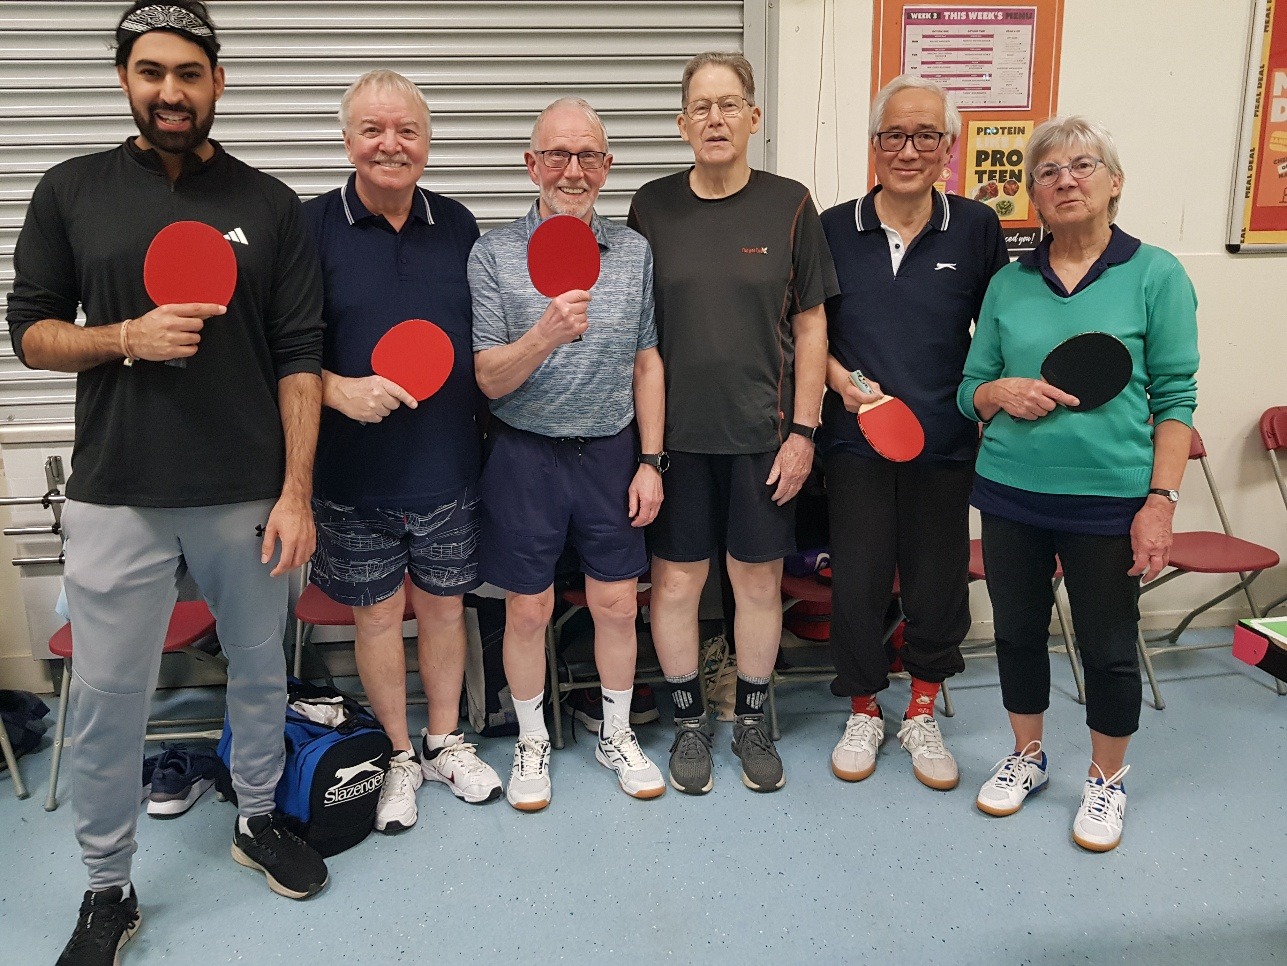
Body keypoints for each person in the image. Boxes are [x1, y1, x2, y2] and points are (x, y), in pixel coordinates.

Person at [5, 3, 330, 963]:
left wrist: (298, 490)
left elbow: (301, 355)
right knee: (106, 695)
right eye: (151, 72)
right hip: (118, 491)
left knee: (261, 669)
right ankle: (108, 885)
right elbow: (31, 332)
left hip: (247, 492)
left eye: (189, 73)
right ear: (125, 80)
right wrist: (122, 339)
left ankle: (259, 820)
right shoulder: (71, 192)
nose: (170, 91)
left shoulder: (269, 203)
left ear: (218, 82)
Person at [957, 116, 1198, 852]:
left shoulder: (1155, 274)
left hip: (1109, 498)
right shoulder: (1007, 281)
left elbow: (1175, 399)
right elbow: (970, 387)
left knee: (1107, 644)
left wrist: (1159, 502)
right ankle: (1026, 756)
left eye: (1082, 166)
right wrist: (999, 394)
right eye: (1047, 170)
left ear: (1113, 183)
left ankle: (1104, 779)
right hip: (1009, 491)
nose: (1064, 180)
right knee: (1018, 635)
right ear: (1030, 192)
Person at [628, 51, 837, 794]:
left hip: (763, 439)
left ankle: (750, 720)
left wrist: (804, 432)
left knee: (756, 585)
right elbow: (638, 334)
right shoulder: (650, 208)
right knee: (676, 587)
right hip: (675, 441)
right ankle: (689, 724)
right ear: (681, 123)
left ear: (753, 118)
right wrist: (647, 453)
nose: (714, 118)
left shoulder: (789, 204)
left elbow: (811, 326)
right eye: (700, 106)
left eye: (729, 104)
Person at [302, 69, 501, 834]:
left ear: (427, 141)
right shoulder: (308, 227)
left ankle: (445, 739)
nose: (391, 145)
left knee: (446, 614)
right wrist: (336, 389)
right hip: (354, 477)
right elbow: (273, 350)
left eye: (407, 130)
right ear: (349, 138)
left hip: (448, 466)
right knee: (378, 621)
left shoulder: (457, 224)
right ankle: (395, 758)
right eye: (374, 130)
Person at [469, 97, 667, 811]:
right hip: (524, 455)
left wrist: (651, 460)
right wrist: (545, 334)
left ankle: (617, 733)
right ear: (531, 164)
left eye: (588, 156)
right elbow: (488, 377)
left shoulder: (635, 253)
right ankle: (531, 740)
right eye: (556, 154)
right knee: (527, 610)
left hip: (611, 451)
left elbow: (647, 360)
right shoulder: (492, 255)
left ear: (607, 167)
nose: (572, 169)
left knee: (617, 605)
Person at [818, 75, 1008, 792]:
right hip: (856, 441)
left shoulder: (978, 225)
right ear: (873, 145)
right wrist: (839, 382)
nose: (908, 148)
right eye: (894, 134)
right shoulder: (831, 227)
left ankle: (921, 709)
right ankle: (865, 708)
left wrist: (984, 400)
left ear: (947, 148)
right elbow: (802, 331)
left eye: (925, 135)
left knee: (937, 586)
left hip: (945, 439)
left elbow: (997, 328)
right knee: (858, 584)